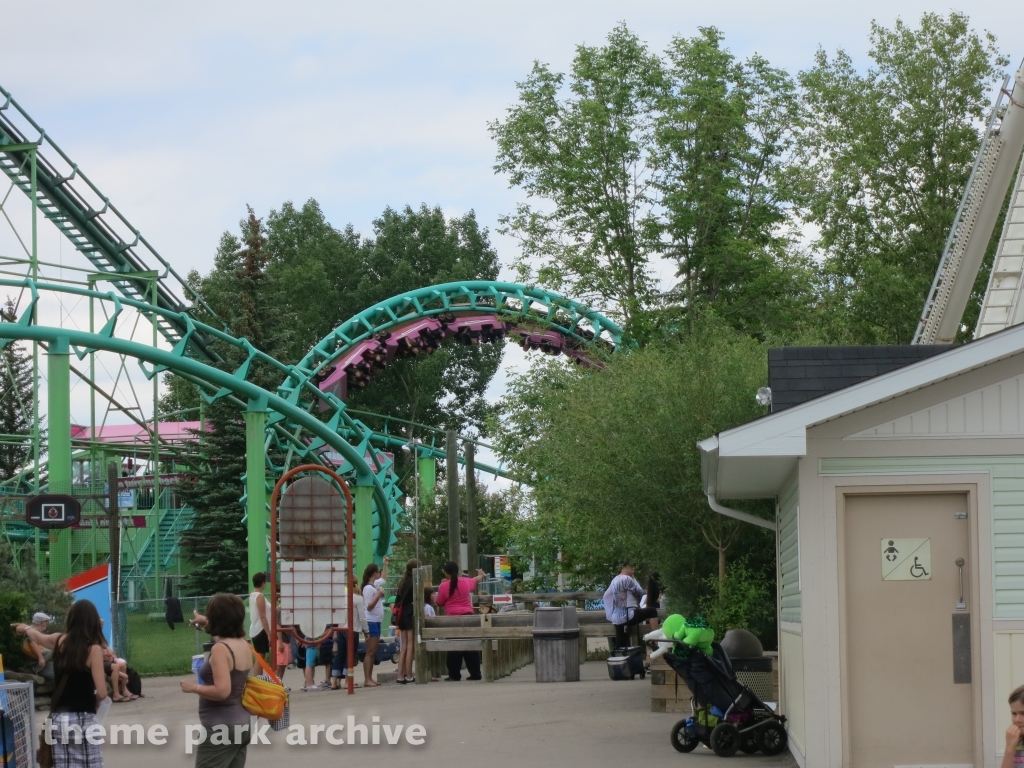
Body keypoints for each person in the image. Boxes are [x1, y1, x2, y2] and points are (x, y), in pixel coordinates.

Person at [14, 600, 110, 768]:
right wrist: (96, 702)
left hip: (59, 719)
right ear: (92, 621)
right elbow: (102, 693)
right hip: (83, 720)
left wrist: (25, 627)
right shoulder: (93, 649)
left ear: (71, 619)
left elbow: (38, 637)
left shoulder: (59, 641)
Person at [181, 594, 254, 768]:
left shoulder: (220, 649)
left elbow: (222, 691)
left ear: (216, 618)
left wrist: (194, 687)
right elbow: (223, 631)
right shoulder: (243, 643)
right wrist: (206, 621)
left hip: (220, 728)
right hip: (241, 724)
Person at [435, 561, 487, 681]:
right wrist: (481, 574)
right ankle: (475, 673)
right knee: (471, 645)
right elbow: (477, 579)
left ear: (446, 573)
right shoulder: (465, 582)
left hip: (452, 619)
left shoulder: (443, 586)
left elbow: (439, 602)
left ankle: (454, 675)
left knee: (454, 646)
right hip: (468, 616)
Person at [603, 560, 658, 648]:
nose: (633, 571)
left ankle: (617, 655)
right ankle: (656, 639)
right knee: (652, 611)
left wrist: (610, 612)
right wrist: (634, 579)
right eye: (631, 569)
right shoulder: (628, 579)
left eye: (634, 569)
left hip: (616, 617)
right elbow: (639, 593)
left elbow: (606, 595)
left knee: (620, 642)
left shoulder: (615, 579)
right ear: (624, 568)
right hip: (629, 614)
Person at [360, 556, 389, 687]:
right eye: (378, 571)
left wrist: (385, 565)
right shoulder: (368, 588)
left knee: (373, 651)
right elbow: (369, 606)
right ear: (373, 573)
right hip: (370, 621)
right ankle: (367, 679)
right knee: (370, 651)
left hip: (376, 621)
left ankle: (370, 678)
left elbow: (383, 579)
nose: (380, 573)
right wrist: (378, 595)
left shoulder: (374, 585)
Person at [394, 558, 419, 684]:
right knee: (410, 645)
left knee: (403, 646)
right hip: (409, 613)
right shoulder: (414, 582)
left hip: (401, 615)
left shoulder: (403, 582)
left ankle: (400, 675)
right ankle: (409, 675)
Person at [248, 573, 271, 658]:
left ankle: (258, 668)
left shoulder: (252, 595)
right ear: (263, 583)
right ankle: (257, 668)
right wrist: (268, 633)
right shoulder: (259, 596)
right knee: (261, 656)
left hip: (255, 628)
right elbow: (262, 615)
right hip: (261, 629)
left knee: (260, 656)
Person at [1003, 683, 1024, 768]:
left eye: (1023, 713)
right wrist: (1009, 747)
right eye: (1014, 713)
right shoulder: (1017, 741)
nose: (1017, 720)